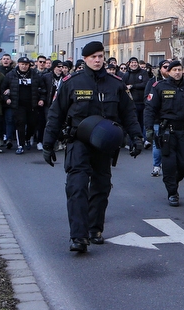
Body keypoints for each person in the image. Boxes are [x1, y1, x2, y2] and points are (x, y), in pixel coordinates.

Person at [42, 41, 144, 253]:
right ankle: (78, 237)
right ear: (85, 59)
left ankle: (94, 229)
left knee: (101, 186)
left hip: (104, 144)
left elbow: (129, 114)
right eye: (93, 57)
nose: (97, 60)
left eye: (100, 56)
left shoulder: (116, 83)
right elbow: (56, 114)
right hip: (78, 141)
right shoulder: (71, 82)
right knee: (77, 187)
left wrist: (136, 137)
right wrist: (48, 144)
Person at [143, 59, 184, 207]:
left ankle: (172, 181)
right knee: (169, 164)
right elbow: (150, 109)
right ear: (169, 72)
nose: (177, 72)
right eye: (174, 70)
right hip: (167, 132)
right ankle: (172, 193)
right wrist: (148, 128)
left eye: (179, 70)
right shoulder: (159, 87)